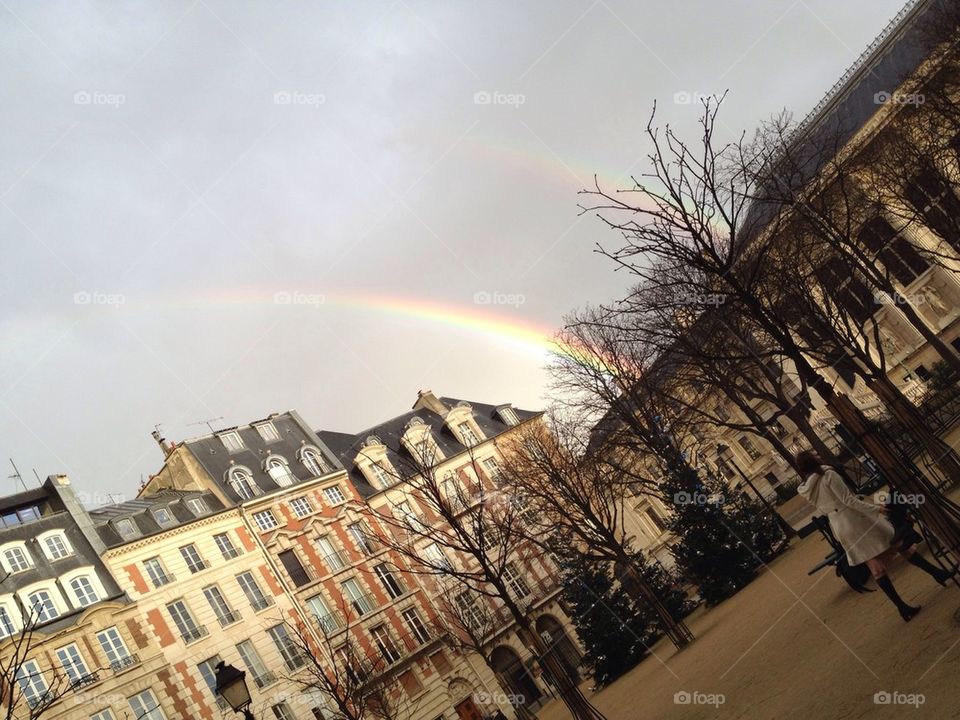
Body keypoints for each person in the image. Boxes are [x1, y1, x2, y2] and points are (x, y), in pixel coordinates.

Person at [796, 451, 954, 621]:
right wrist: (877, 509)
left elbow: (826, 508)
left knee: (877, 565)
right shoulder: (828, 475)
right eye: (815, 454)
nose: (818, 455)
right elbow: (849, 501)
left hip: (840, 525)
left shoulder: (807, 489)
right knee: (898, 543)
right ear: (813, 460)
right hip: (856, 521)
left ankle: (904, 605)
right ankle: (936, 575)